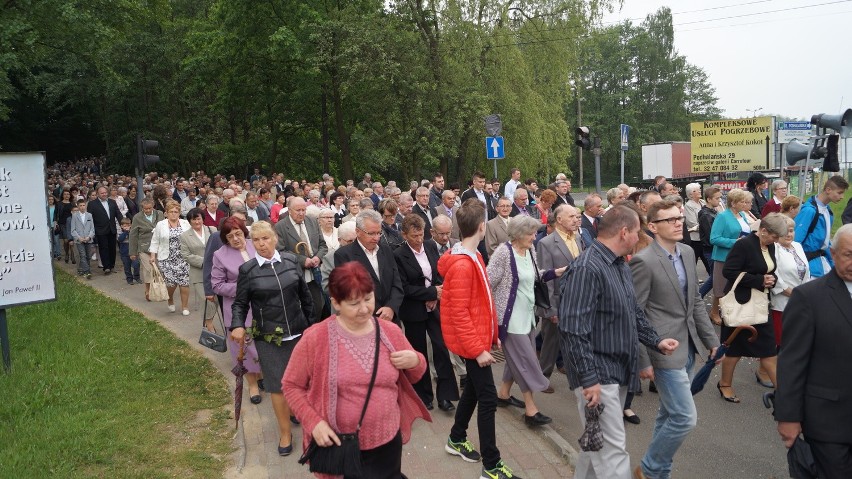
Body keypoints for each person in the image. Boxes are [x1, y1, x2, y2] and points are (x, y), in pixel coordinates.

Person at [559, 205, 678, 479]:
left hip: (617, 370)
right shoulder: (587, 269)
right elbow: (573, 330)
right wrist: (589, 379)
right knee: (613, 453)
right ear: (624, 232)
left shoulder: (618, 263)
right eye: (637, 232)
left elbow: (632, 311)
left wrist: (656, 341)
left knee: (596, 449)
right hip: (599, 376)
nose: (640, 237)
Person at [283, 261, 428, 475]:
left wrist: (416, 360)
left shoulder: (390, 332)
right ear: (336, 302)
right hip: (342, 447)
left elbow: (417, 374)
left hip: (388, 440)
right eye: (353, 303)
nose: (364, 309)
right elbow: (291, 385)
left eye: (368, 299)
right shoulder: (316, 337)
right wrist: (313, 422)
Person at [630, 200, 720, 479]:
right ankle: (649, 468)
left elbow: (694, 301)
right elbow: (635, 314)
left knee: (668, 415)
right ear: (653, 227)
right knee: (684, 417)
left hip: (690, 345)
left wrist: (710, 341)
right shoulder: (643, 262)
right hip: (662, 351)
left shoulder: (686, 252)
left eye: (679, 217)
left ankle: (658, 472)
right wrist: (643, 360)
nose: (678, 222)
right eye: (670, 220)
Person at [439, 198, 522, 479]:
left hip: (477, 339)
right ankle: (491, 465)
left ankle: (456, 437)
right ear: (482, 226)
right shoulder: (463, 264)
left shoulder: (473, 256)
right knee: (488, 399)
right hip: (470, 344)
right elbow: (460, 313)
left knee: (475, 391)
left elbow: (482, 302)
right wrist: (478, 349)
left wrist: (492, 335)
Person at [775, 224, 852, 479]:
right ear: (833, 252)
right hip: (829, 423)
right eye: (848, 254)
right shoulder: (809, 298)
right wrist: (788, 417)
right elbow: (791, 362)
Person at [232, 220, 313, 457]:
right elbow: (240, 303)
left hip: (299, 333)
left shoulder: (290, 261)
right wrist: (237, 325)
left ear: (274, 238)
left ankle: (304, 420)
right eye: (256, 240)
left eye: (265, 238)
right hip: (269, 338)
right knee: (277, 386)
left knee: (303, 383)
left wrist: (311, 328)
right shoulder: (248, 270)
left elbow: (305, 296)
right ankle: (285, 433)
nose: (261, 244)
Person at [488, 215, 565, 427]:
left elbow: (534, 275)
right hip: (510, 319)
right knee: (525, 361)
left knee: (518, 359)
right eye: (531, 233)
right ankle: (531, 410)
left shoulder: (529, 250)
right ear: (519, 234)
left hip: (528, 316)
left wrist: (555, 272)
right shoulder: (503, 252)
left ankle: (503, 394)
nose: (534, 237)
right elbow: (488, 281)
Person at [717, 213, 788, 403]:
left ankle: (785, 396)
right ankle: (725, 384)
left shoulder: (770, 245)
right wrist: (759, 280)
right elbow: (729, 271)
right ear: (763, 231)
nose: (776, 241)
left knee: (768, 349)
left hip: (761, 304)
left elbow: (769, 270)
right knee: (734, 349)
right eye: (774, 236)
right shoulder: (744, 245)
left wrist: (771, 281)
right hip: (741, 304)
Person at [394, 214, 459, 412]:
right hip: (413, 310)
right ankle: (422, 395)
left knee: (441, 348)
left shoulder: (430, 246)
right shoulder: (398, 254)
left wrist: (437, 293)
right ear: (404, 235)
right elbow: (403, 287)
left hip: (434, 306)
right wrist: (430, 293)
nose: (418, 239)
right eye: (414, 236)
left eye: (421, 234)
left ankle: (445, 396)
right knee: (418, 352)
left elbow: (439, 273)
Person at [212, 217, 264, 401]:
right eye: (230, 236)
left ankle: (262, 376)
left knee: (264, 344)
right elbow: (217, 285)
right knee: (246, 348)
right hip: (239, 310)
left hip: (263, 305)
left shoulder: (255, 245)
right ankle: (252, 386)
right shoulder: (220, 254)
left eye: (238, 234)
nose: (235, 239)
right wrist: (243, 288)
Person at [537, 204, 583, 383]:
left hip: (577, 298)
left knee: (575, 338)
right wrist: (551, 309)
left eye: (576, 216)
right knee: (550, 342)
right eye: (571, 216)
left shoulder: (578, 238)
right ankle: (542, 376)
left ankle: (572, 371)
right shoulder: (546, 243)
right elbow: (545, 278)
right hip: (557, 300)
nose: (575, 219)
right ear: (559, 220)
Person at [334, 210, 404, 324]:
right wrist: (376, 312)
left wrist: (391, 307)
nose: (376, 238)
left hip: (391, 317)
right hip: (364, 319)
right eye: (371, 233)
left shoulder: (386, 250)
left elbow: (396, 283)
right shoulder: (343, 255)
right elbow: (348, 290)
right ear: (358, 231)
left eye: (379, 233)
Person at [274, 197, 328, 324]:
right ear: (289, 210)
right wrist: (302, 260)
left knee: (318, 307)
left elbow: (322, 245)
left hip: (315, 276)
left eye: (304, 210)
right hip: (295, 276)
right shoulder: (280, 226)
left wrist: (317, 257)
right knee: (300, 311)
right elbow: (280, 251)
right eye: (298, 210)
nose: (302, 213)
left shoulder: (312, 221)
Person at [794, 175, 849, 278]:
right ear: (828, 190)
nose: (842, 197)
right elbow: (795, 241)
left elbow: (826, 240)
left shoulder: (828, 211)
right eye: (839, 192)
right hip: (809, 266)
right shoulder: (809, 210)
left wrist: (833, 262)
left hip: (823, 262)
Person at [769, 215, 810, 347]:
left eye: (791, 230)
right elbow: (775, 277)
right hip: (781, 304)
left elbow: (806, 272)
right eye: (785, 230)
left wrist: (805, 294)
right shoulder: (774, 248)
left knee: (797, 342)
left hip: (800, 302)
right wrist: (797, 294)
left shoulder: (797, 246)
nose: (788, 234)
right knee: (782, 343)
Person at [149, 200, 192, 315]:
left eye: (176, 212)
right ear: (166, 213)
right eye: (171, 212)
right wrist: (153, 255)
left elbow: (191, 239)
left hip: (183, 258)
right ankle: (170, 299)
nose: (174, 214)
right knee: (171, 284)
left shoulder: (185, 224)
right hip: (166, 258)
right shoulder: (161, 225)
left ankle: (185, 307)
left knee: (184, 283)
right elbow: (155, 241)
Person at [180, 208, 216, 321]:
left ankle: (209, 320)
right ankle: (209, 326)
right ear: (189, 221)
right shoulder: (185, 236)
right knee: (206, 300)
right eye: (193, 219)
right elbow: (186, 255)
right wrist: (205, 261)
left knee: (217, 301)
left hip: (216, 272)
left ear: (202, 219)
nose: (196, 222)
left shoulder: (212, 230)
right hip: (198, 274)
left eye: (198, 219)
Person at [130, 198, 165, 301]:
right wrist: (132, 252)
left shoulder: (159, 214)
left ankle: (159, 290)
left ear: (153, 206)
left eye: (150, 208)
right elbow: (133, 235)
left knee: (158, 269)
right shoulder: (137, 217)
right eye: (146, 209)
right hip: (144, 248)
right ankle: (148, 290)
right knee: (149, 269)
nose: (148, 210)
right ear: (142, 208)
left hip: (159, 247)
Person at [697, 185, 723, 324]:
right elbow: (711, 236)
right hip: (710, 250)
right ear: (709, 199)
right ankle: (697, 297)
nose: (719, 201)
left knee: (715, 278)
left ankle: (697, 298)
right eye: (717, 198)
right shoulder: (706, 214)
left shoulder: (713, 212)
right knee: (715, 278)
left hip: (712, 249)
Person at [88, 186, 122, 275]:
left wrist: (123, 224)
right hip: (100, 230)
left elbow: (118, 214)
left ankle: (112, 265)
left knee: (112, 248)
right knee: (103, 248)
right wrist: (91, 230)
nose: (104, 194)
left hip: (111, 228)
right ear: (98, 194)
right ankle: (106, 267)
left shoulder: (112, 202)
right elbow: (90, 218)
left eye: (105, 192)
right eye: (102, 193)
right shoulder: (92, 204)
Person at [683, 182, 707, 271]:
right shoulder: (689, 205)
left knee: (709, 264)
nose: (699, 191)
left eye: (699, 189)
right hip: (695, 240)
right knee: (692, 265)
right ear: (691, 194)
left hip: (704, 238)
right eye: (696, 190)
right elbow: (692, 223)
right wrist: (707, 227)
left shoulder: (703, 202)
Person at [69, 199, 95, 280]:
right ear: (78, 206)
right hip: (79, 240)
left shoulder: (89, 215)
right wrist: (78, 238)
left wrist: (89, 237)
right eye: (80, 205)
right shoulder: (74, 216)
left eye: (84, 205)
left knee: (88, 256)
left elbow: (92, 228)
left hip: (88, 239)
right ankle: (87, 271)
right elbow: (73, 230)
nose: (82, 207)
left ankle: (85, 269)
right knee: (82, 255)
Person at [117, 217, 139, 285]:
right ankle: (129, 279)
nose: (127, 227)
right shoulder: (120, 232)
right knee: (127, 267)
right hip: (124, 253)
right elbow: (120, 239)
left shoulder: (133, 232)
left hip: (133, 252)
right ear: (121, 226)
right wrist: (126, 232)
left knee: (136, 264)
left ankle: (137, 277)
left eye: (128, 225)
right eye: (125, 226)